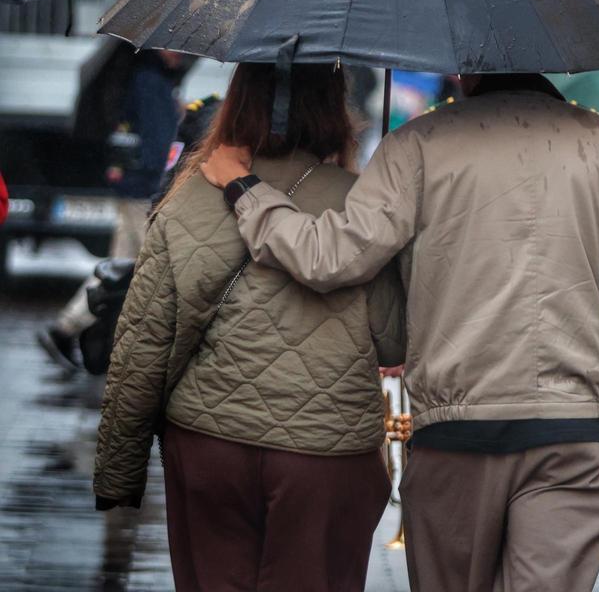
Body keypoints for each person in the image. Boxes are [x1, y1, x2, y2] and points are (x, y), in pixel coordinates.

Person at [201, 72, 599, 592]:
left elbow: (329, 256)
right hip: (571, 433)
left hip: (454, 433)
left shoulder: (419, 142)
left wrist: (245, 190)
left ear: (466, 66)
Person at [93, 63, 404, 592]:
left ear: (238, 102)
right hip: (326, 457)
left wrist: (118, 471)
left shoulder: (186, 200)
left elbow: (142, 346)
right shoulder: (364, 205)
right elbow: (396, 339)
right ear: (335, 110)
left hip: (208, 446)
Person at [40, 49, 187, 370]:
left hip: (132, 186)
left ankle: (66, 328)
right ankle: (95, 338)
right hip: (145, 190)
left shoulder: (141, 76)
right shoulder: (152, 81)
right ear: (159, 48)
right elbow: (157, 146)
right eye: (175, 48)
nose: (181, 55)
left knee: (117, 267)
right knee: (157, 267)